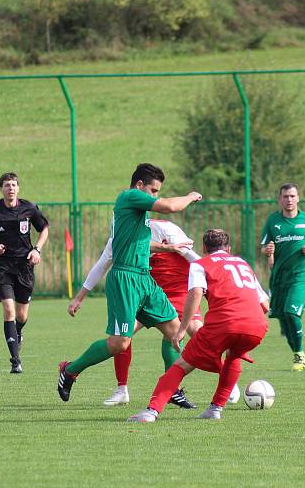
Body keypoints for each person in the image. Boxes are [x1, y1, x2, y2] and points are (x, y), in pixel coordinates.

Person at [57, 163, 202, 403]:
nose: (155, 196)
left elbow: (136, 243)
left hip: (145, 279)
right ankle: (70, 370)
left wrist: (165, 247)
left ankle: (170, 388)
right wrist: (190, 196)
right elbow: (169, 207)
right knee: (119, 343)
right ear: (139, 186)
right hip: (125, 278)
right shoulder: (129, 197)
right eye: (153, 190)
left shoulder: (137, 211)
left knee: (176, 332)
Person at [69, 218, 241, 407]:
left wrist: (217, 279)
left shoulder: (165, 229)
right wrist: (79, 297)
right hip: (151, 291)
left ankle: (226, 379)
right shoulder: (119, 236)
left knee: (195, 330)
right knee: (123, 336)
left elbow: (193, 257)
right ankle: (121, 389)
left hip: (178, 288)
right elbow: (101, 265)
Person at [128, 229, 269, 422]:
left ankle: (151, 412)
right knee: (233, 355)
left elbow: (195, 293)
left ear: (204, 248)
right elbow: (265, 304)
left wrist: (182, 329)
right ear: (228, 248)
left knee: (180, 366)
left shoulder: (200, 264)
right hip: (257, 325)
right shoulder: (243, 263)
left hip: (224, 324)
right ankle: (215, 408)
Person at [0, 172, 49, 374]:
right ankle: (15, 361)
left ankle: (18, 332)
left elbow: (44, 229)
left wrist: (37, 250)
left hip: (25, 266)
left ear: (18, 188)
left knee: (22, 316)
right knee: (8, 310)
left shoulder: (29, 208)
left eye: (14, 185)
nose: (11, 188)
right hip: (3, 267)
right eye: (7, 185)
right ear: (1, 189)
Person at [260, 183, 305, 371]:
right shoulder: (273, 221)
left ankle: (300, 354)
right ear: (279, 199)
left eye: (292, 196)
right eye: (285, 196)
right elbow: (264, 246)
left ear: (298, 198)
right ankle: (296, 352)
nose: (289, 200)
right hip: (279, 276)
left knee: (291, 312)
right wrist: (268, 250)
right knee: (283, 317)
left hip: (301, 274)